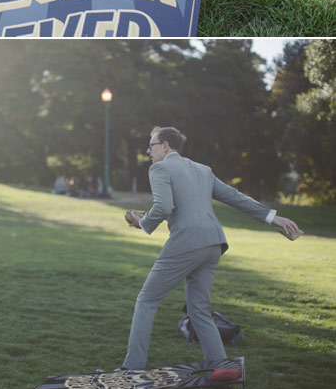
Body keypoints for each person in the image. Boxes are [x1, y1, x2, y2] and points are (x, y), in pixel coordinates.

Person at [121, 125, 302, 371]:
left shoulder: (160, 167)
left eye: (151, 145)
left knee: (146, 301)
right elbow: (234, 196)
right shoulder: (202, 170)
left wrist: (143, 223)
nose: (148, 151)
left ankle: (132, 368)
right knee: (200, 311)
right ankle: (220, 369)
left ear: (165, 146)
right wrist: (272, 218)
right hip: (213, 244)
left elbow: (163, 207)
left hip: (187, 242)